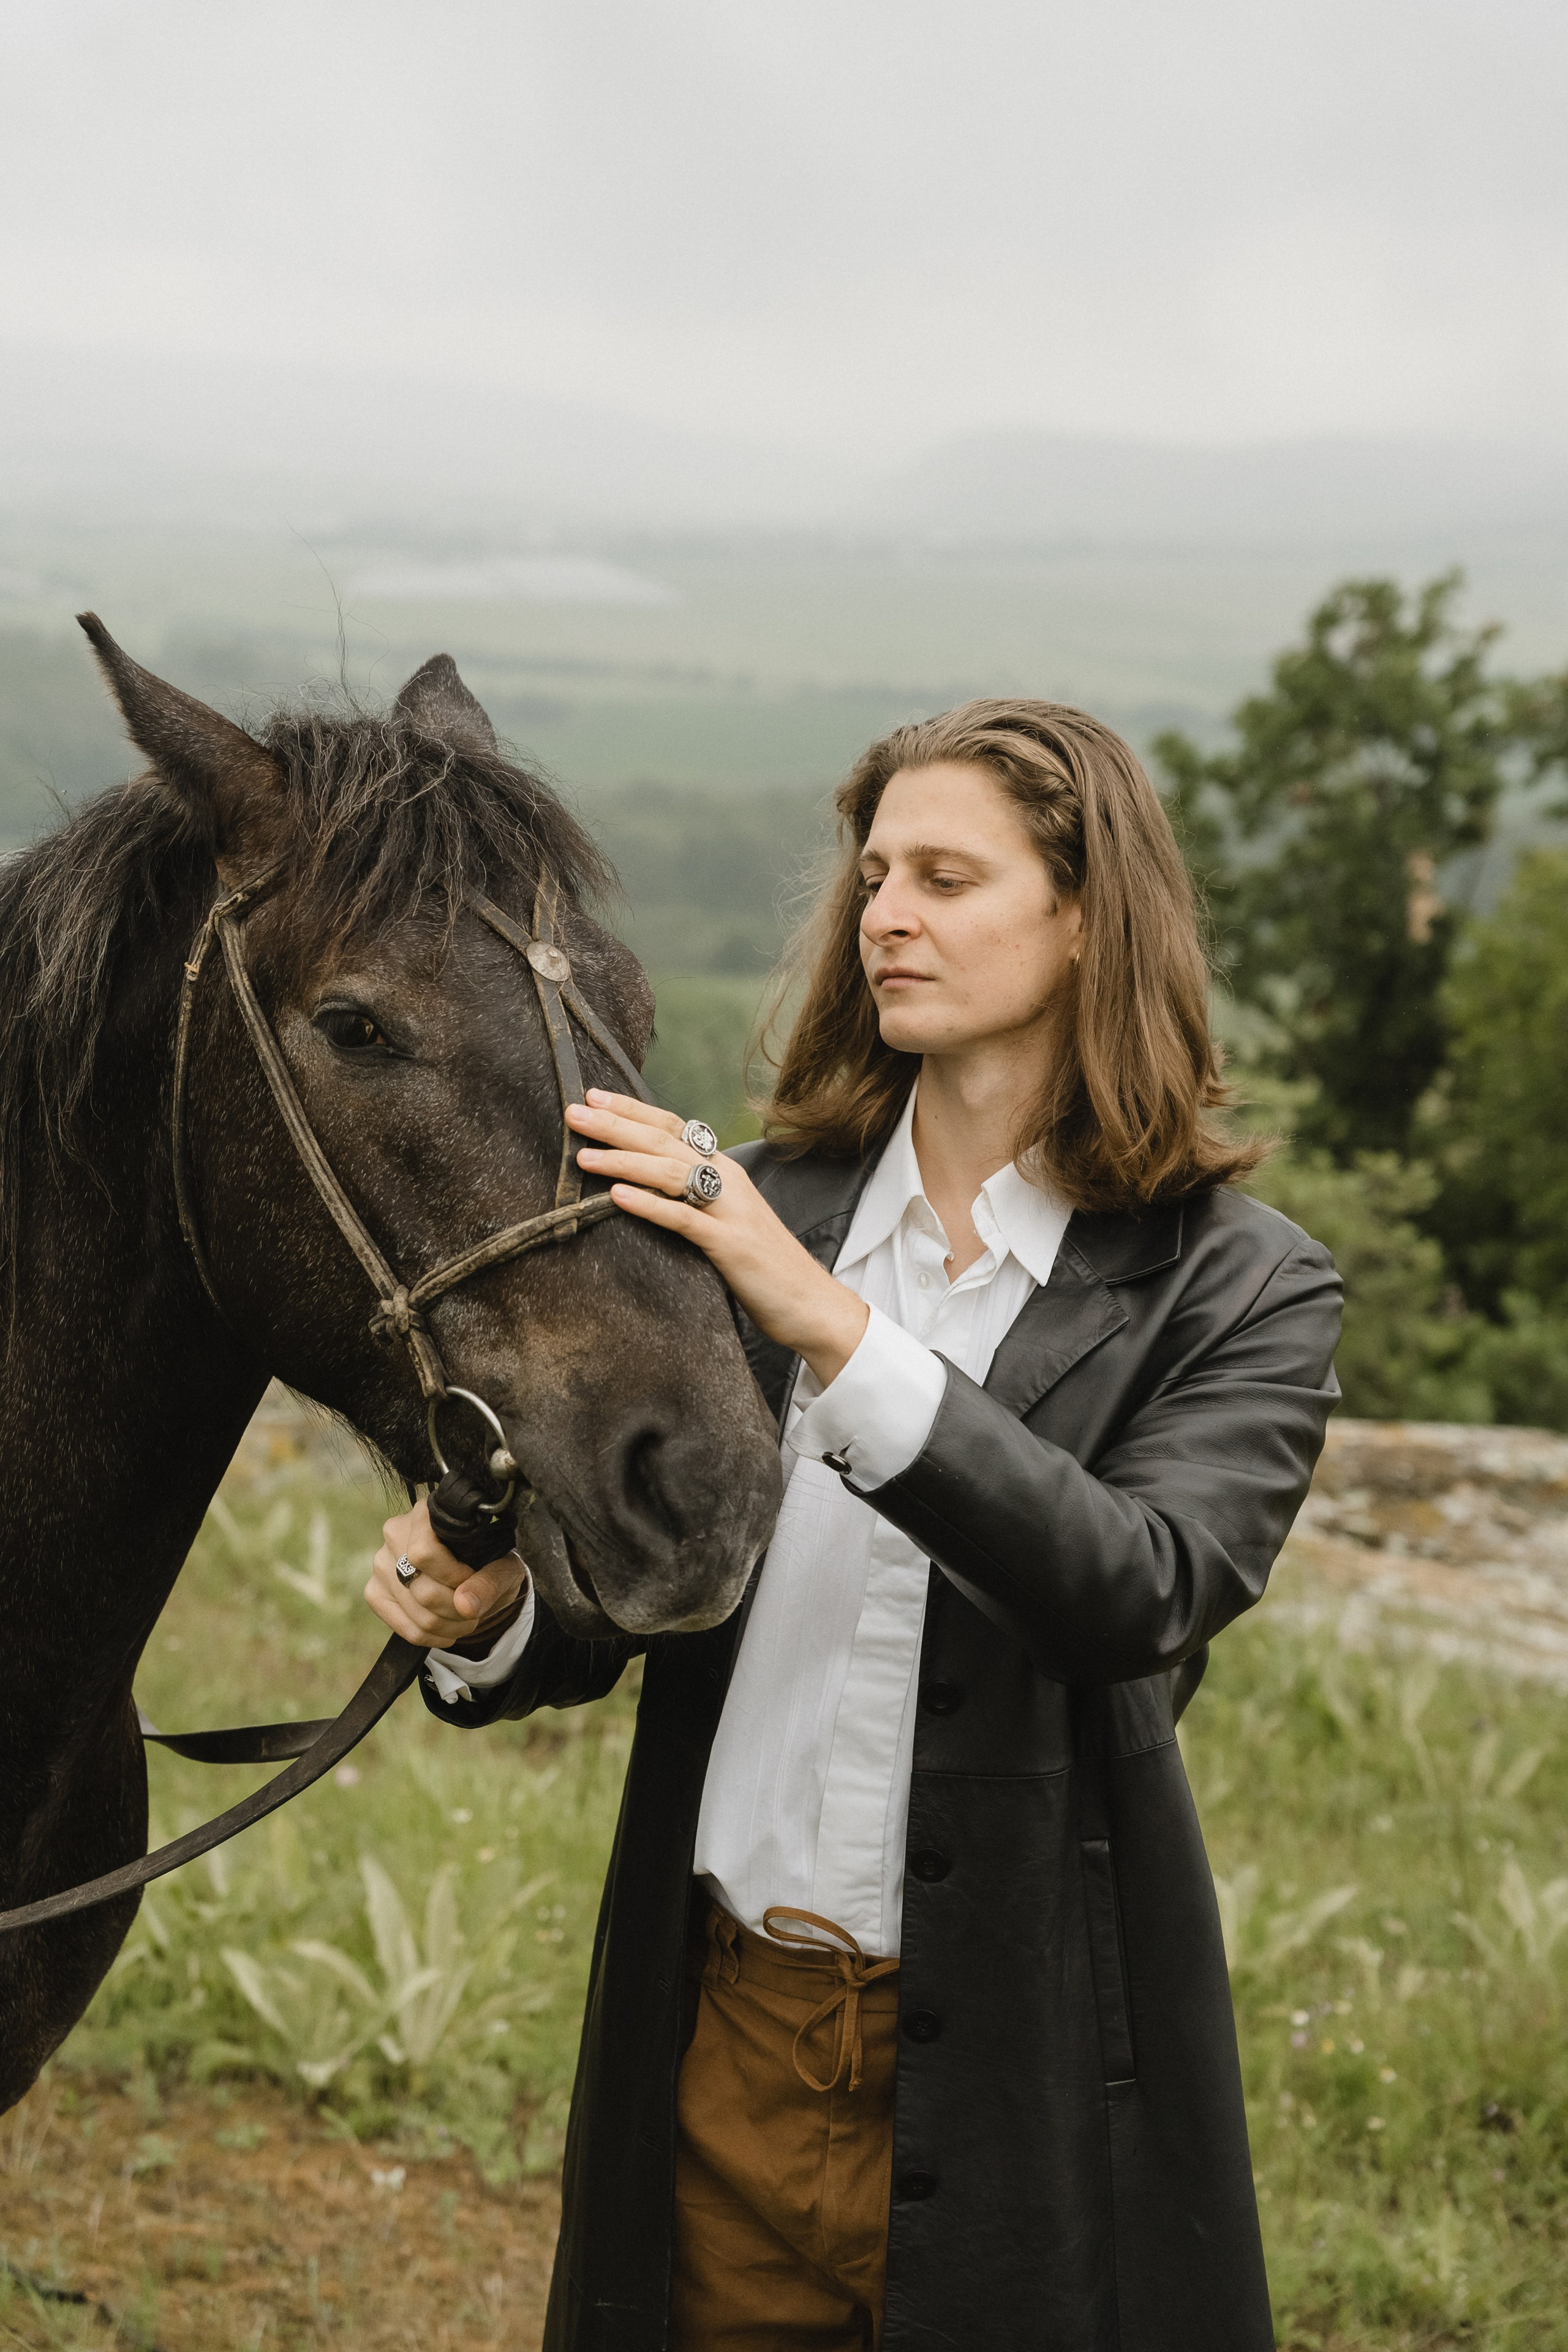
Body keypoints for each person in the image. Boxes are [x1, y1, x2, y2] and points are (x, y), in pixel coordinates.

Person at [365, 700, 1342, 2352]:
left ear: (1089, 916)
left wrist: (826, 1326)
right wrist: (497, 1615)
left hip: (1035, 2071)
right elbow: (639, 1575)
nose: (886, 910)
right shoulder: (753, 1214)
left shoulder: (1239, 1286)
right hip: (729, 2032)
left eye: (950, 876)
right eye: (877, 871)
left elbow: (1140, 1591)